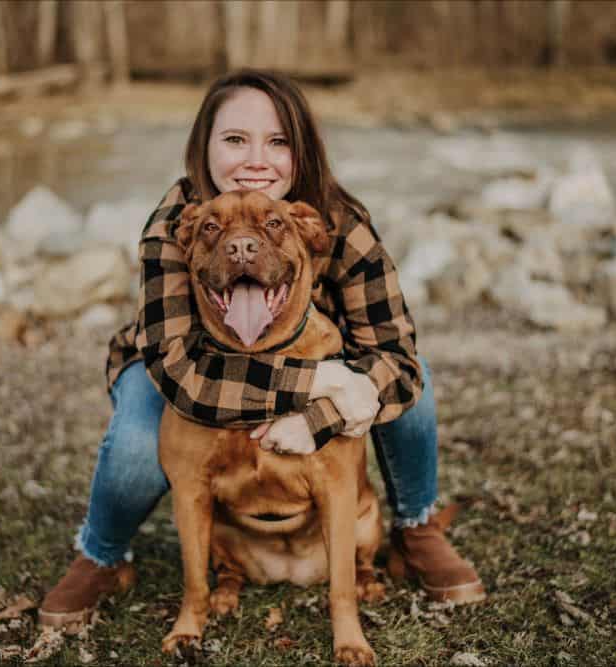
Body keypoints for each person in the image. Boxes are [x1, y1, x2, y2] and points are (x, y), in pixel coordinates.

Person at [39, 69, 485, 631]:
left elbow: (394, 360)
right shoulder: (177, 224)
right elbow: (180, 374)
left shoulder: (342, 224)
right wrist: (317, 384)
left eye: (277, 142)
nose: (256, 160)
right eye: (234, 140)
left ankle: (416, 527)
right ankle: (102, 553)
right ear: (203, 148)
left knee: (413, 384)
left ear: (302, 153)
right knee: (134, 442)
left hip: (321, 357)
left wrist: (318, 420)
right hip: (180, 366)